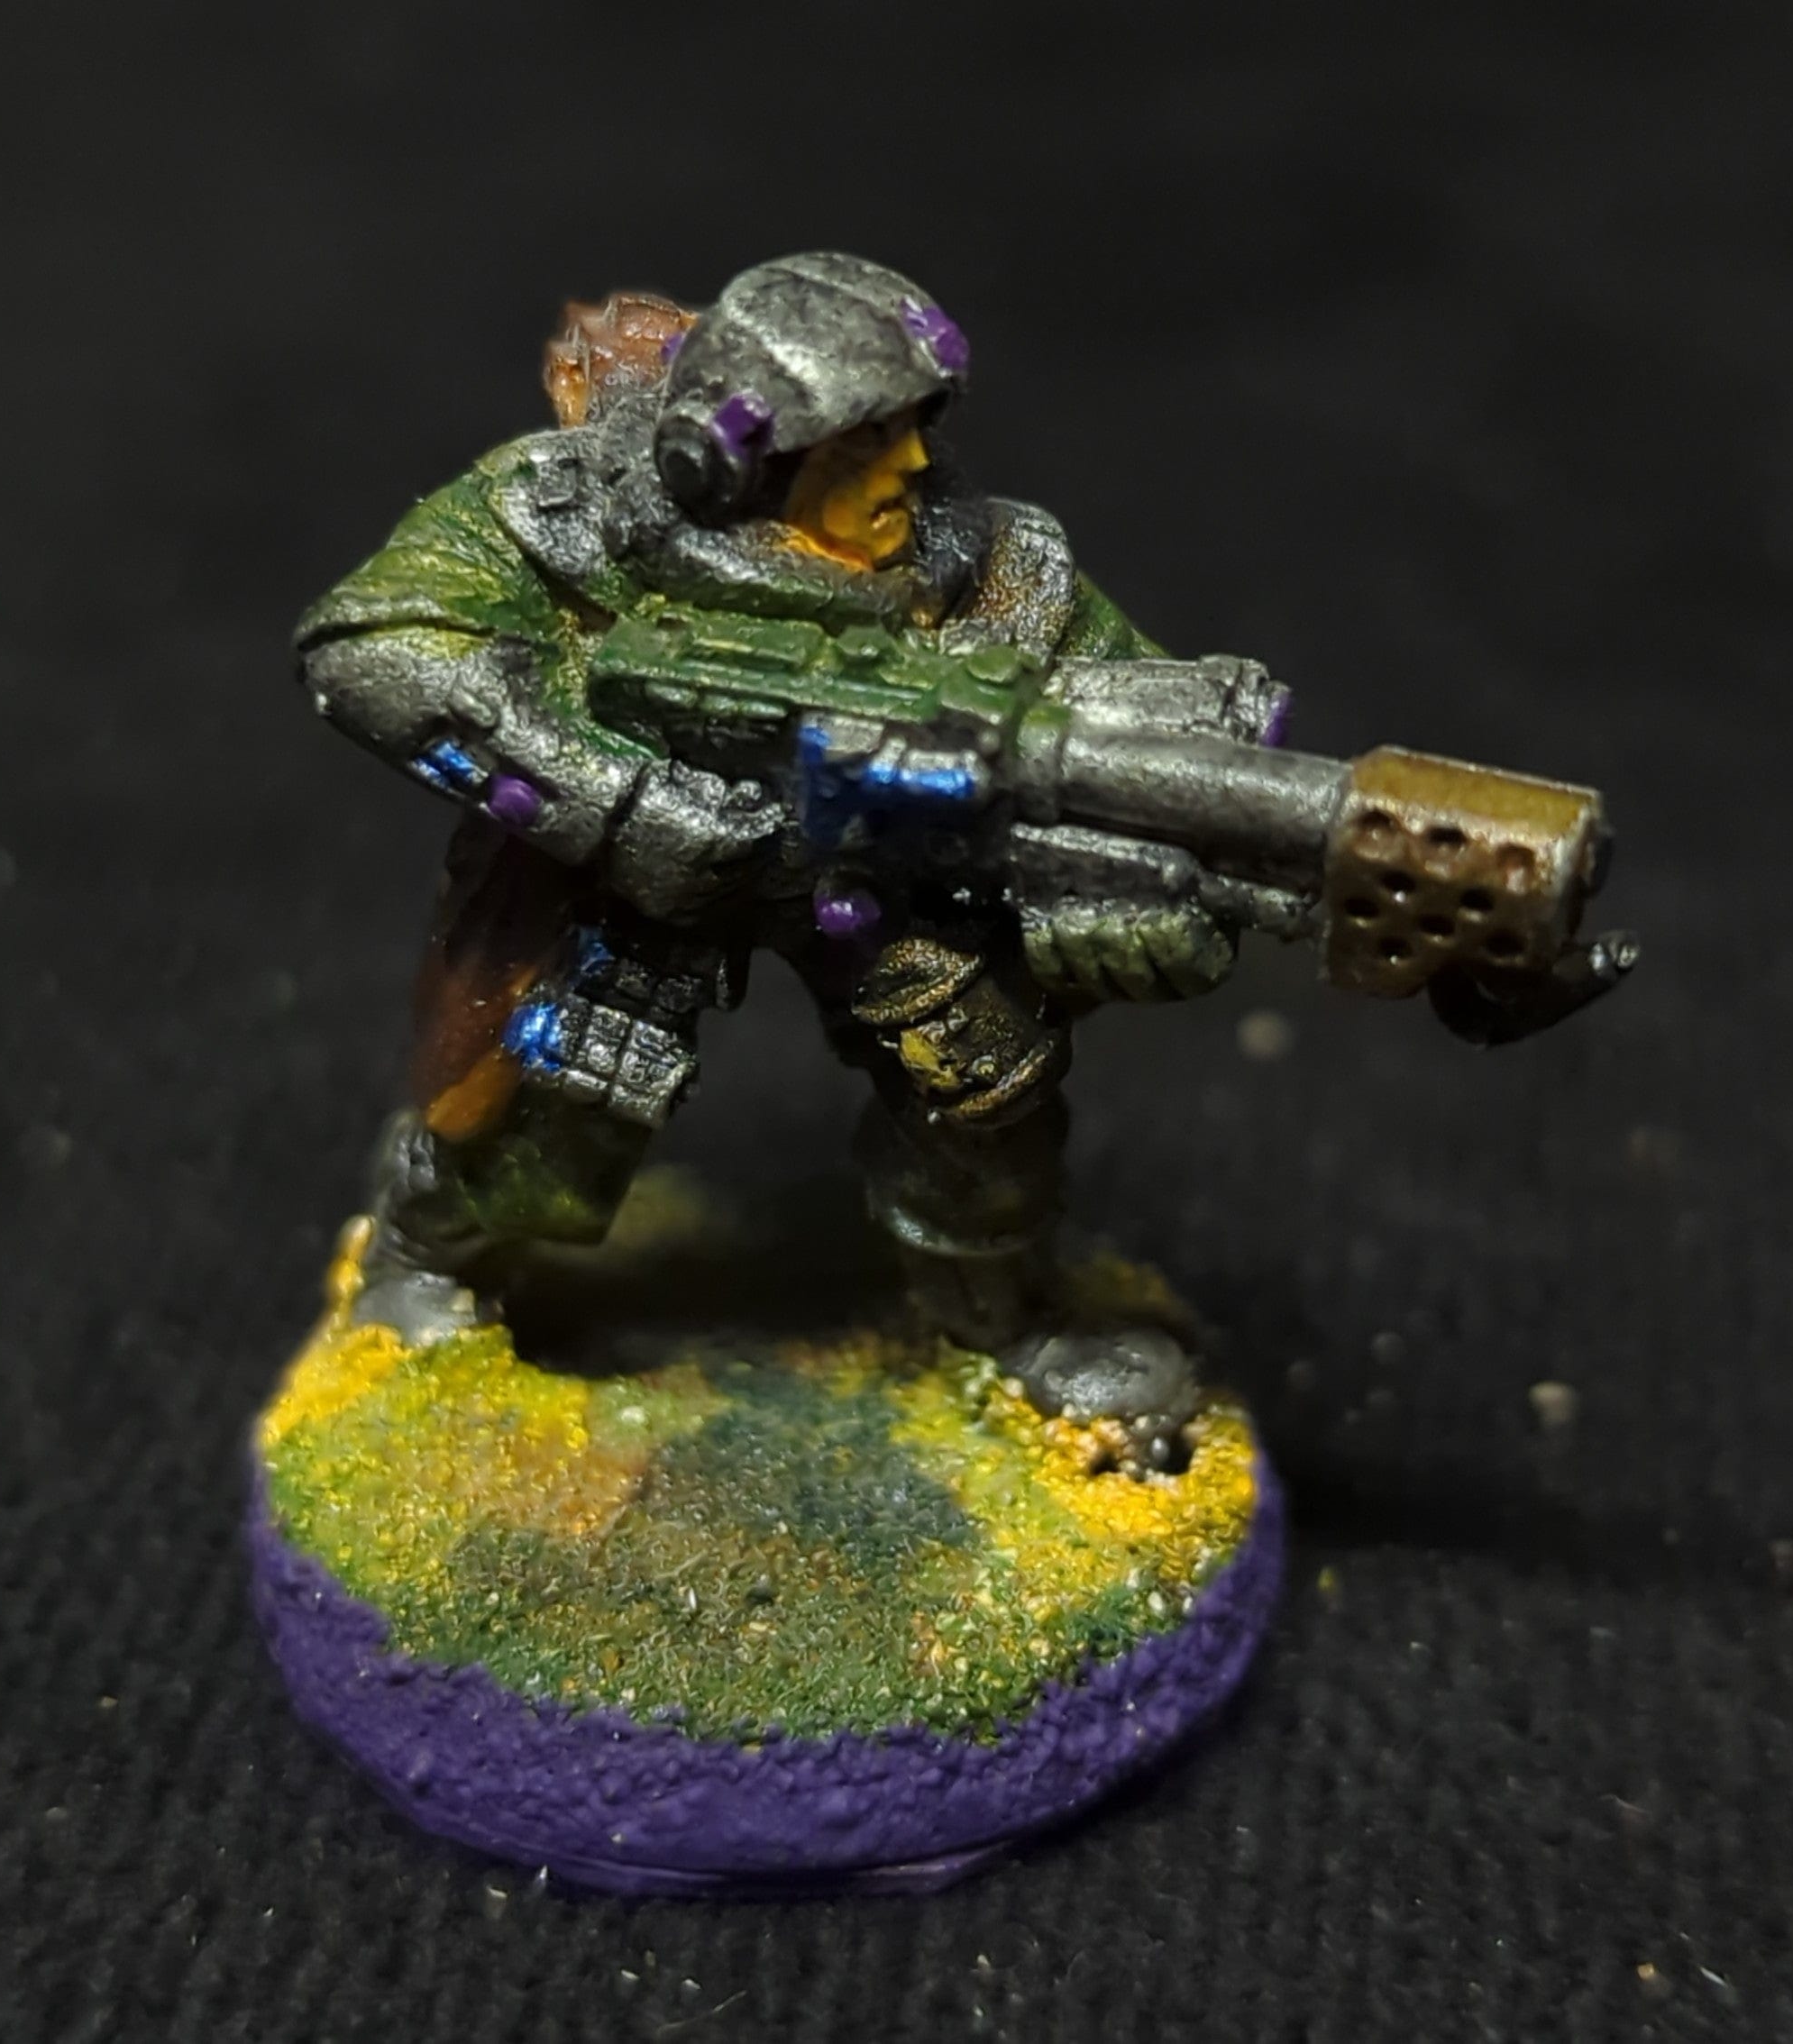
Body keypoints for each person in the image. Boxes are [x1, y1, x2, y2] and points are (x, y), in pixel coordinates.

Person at [294, 252, 1264, 1455]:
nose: (912, 466)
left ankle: (1003, 1315)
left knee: (984, 1092)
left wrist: (1149, 888)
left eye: (916, 428)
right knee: (548, 1085)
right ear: (739, 462)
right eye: (866, 443)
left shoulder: (998, 572)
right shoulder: (571, 519)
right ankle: (428, 1253)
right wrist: (617, 805)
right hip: (644, 873)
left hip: (898, 881)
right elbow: (368, 648)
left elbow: (1137, 738)